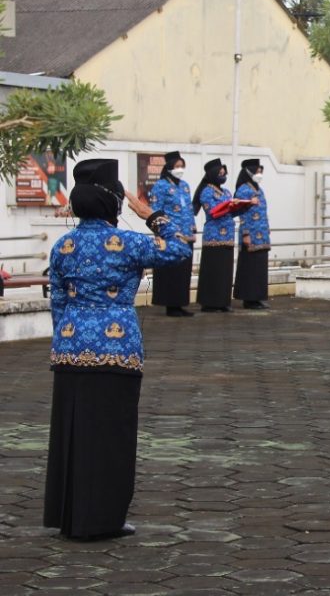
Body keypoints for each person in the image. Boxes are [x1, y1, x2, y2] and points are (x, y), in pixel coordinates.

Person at [44, 158, 192, 541]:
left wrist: (67, 340)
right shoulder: (128, 244)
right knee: (111, 435)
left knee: (72, 434)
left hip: (70, 348)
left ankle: (70, 517)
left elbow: (58, 304)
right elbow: (179, 250)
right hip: (117, 347)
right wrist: (154, 215)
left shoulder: (63, 246)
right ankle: (103, 520)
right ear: (113, 202)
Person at [148, 151, 196, 316]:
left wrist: (192, 228)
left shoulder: (185, 186)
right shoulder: (160, 186)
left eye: (182, 166)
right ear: (169, 167)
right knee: (172, 270)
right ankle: (170, 305)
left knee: (184, 271)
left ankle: (180, 303)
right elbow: (155, 209)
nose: (180, 169)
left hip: (186, 234)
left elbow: (189, 209)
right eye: (177, 166)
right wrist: (158, 231)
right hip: (169, 235)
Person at [192, 158, 237, 313]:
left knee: (225, 271)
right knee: (213, 270)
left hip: (228, 237)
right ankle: (210, 303)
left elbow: (231, 211)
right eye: (220, 173)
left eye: (224, 173)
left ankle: (223, 301)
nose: (223, 176)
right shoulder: (207, 191)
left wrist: (240, 206)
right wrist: (227, 206)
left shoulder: (226, 192)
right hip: (213, 236)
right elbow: (212, 210)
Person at [233, 159, 271, 310]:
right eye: (257, 171)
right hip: (251, 235)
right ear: (249, 172)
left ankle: (258, 297)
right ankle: (249, 299)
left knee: (260, 268)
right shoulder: (243, 189)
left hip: (262, 234)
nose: (259, 174)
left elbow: (262, 210)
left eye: (261, 172)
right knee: (250, 267)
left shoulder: (258, 189)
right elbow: (243, 214)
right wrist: (246, 234)